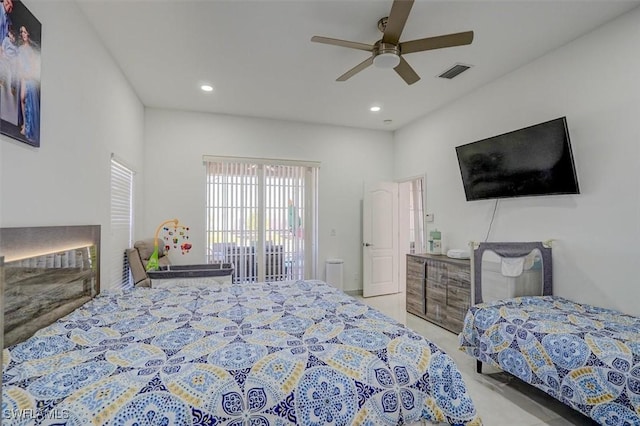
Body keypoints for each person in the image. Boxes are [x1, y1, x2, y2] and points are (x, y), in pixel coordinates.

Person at [18, 24, 40, 143]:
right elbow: (20, 63)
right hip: (23, 75)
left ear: (28, 34)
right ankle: (25, 123)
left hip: (29, 76)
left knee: (26, 98)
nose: (23, 34)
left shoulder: (31, 50)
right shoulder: (20, 49)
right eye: (22, 32)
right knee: (22, 98)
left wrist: (28, 75)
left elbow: (32, 66)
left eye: (25, 32)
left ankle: (28, 125)